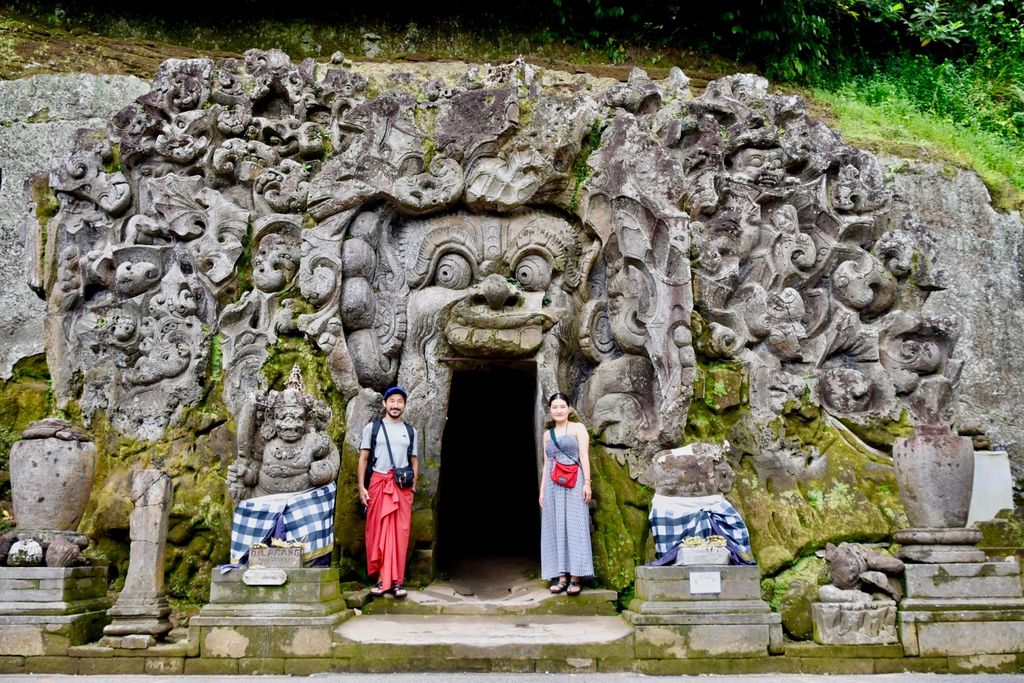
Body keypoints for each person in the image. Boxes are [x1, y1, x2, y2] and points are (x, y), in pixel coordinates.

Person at [358, 386, 418, 598]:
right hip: (378, 483)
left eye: (399, 401)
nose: (395, 405)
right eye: (391, 401)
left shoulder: (410, 431)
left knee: (400, 534)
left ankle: (398, 582)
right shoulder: (372, 428)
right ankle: (382, 579)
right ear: (384, 404)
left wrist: (413, 489)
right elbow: (363, 458)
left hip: (401, 488)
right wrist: (361, 487)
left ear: (404, 405)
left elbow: (414, 461)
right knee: (378, 532)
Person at [539, 392, 594, 596]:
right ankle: (561, 576)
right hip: (554, 484)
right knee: (555, 527)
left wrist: (587, 484)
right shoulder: (547, 435)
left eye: (562, 406)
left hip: (575, 480)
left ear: (569, 409)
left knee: (576, 525)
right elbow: (547, 464)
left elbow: (584, 456)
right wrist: (542, 489)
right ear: (550, 410)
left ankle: (576, 577)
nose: (559, 410)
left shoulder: (578, 428)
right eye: (555, 407)